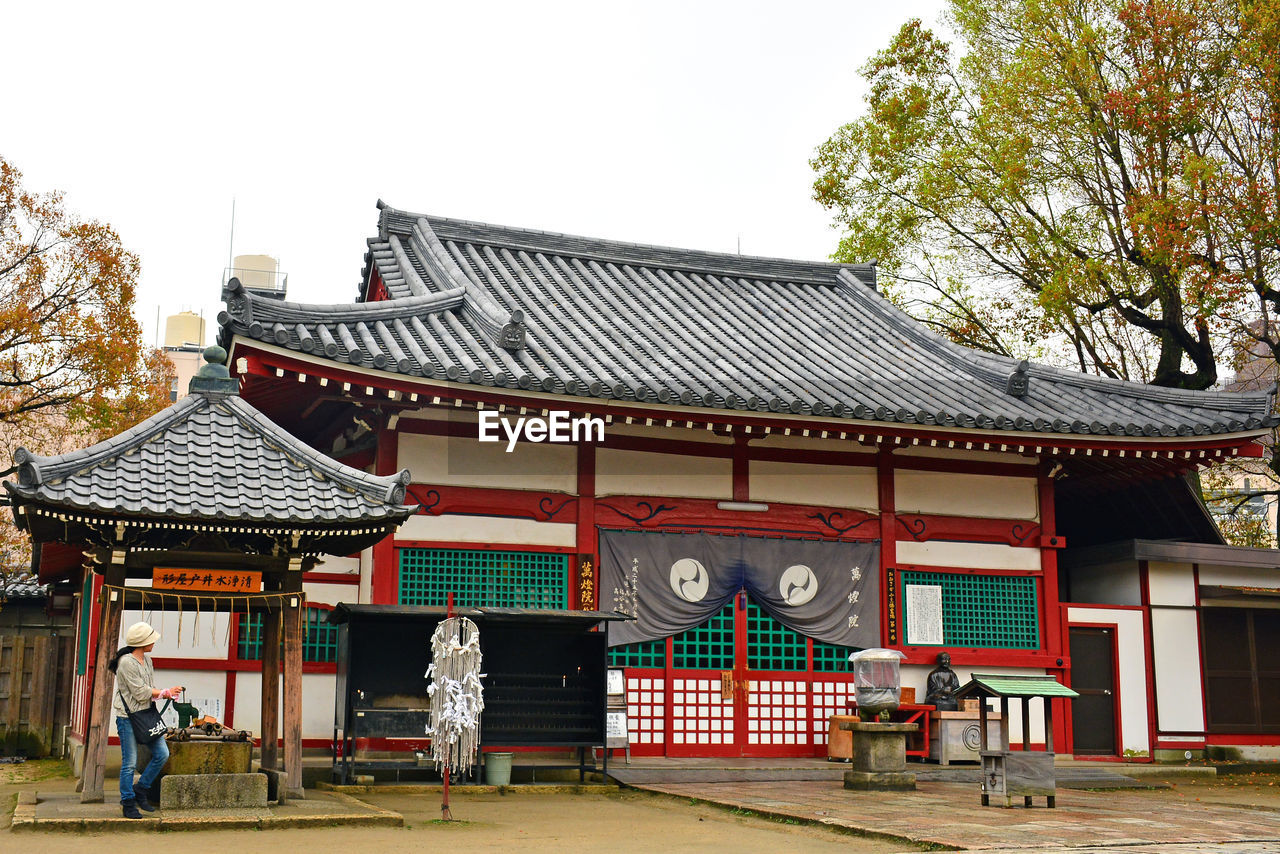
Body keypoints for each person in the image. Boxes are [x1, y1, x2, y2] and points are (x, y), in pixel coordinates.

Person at [109, 621, 182, 819]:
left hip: (146, 715)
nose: (154, 642)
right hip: (128, 717)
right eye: (151, 639)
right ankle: (128, 801)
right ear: (142, 642)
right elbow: (141, 692)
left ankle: (141, 789)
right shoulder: (125, 663)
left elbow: (149, 689)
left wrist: (163, 693)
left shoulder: (147, 661)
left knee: (162, 754)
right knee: (129, 763)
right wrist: (165, 693)